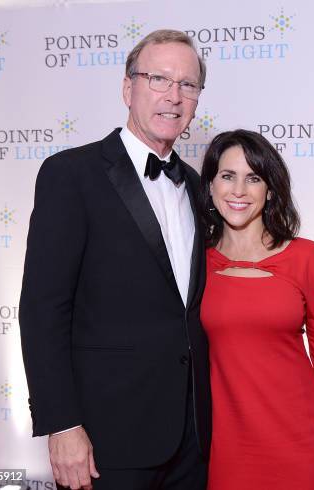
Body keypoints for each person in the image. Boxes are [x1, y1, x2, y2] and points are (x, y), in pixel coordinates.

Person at [19, 30, 211, 490]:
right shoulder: (72, 174)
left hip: (194, 437)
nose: (174, 95)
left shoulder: (199, 186)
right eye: (159, 79)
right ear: (128, 88)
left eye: (188, 85)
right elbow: (43, 308)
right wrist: (62, 425)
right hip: (105, 440)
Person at [199, 129, 314, 489]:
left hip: (299, 436)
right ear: (210, 185)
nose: (238, 190)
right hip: (224, 441)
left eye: (253, 178)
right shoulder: (195, 263)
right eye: (227, 176)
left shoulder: (308, 257)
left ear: (269, 190)